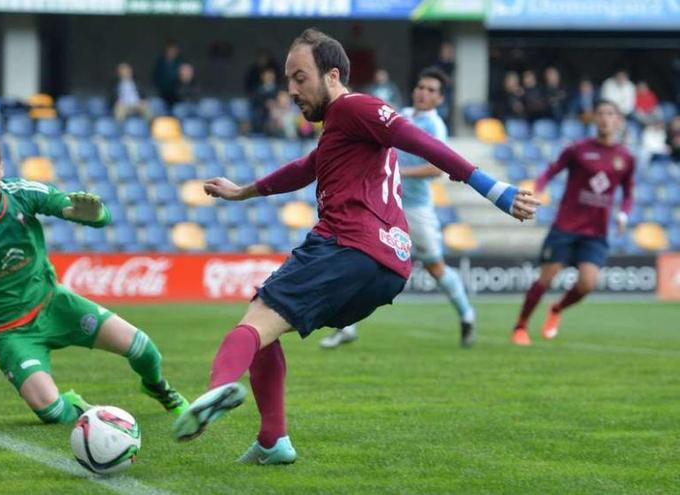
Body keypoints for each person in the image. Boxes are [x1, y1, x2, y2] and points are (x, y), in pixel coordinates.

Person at [172, 28, 538, 463]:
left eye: (299, 78)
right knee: (267, 332)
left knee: (254, 322)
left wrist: (493, 188)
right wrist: (243, 192)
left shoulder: (356, 107)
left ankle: (215, 392)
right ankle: (273, 441)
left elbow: (422, 143)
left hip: (347, 246)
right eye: (289, 79)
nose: (290, 89)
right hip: (387, 267)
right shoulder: (339, 130)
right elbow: (303, 168)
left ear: (331, 75)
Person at [0, 131, 188, 424]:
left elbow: (67, 205)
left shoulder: (21, 193)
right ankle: (83, 412)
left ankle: (159, 389)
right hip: (11, 332)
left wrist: (95, 215)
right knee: (52, 412)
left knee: (144, 349)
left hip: (55, 304)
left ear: (2, 167)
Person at [319, 67, 476, 350]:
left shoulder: (435, 126)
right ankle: (346, 327)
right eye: (421, 87)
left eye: (431, 90)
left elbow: (435, 168)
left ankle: (466, 315)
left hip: (416, 209)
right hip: (385, 205)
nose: (423, 93)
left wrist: (398, 173)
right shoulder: (398, 114)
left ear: (440, 99)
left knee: (435, 267)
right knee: (359, 260)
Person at [511, 100, 634, 346]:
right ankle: (521, 326)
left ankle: (556, 309)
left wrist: (623, 215)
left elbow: (628, 192)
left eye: (611, 114)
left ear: (618, 120)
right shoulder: (577, 149)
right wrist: (538, 187)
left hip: (596, 232)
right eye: (601, 113)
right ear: (594, 118)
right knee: (546, 278)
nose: (605, 118)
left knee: (588, 284)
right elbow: (551, 170)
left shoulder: (626, 158)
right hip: (566, 226)